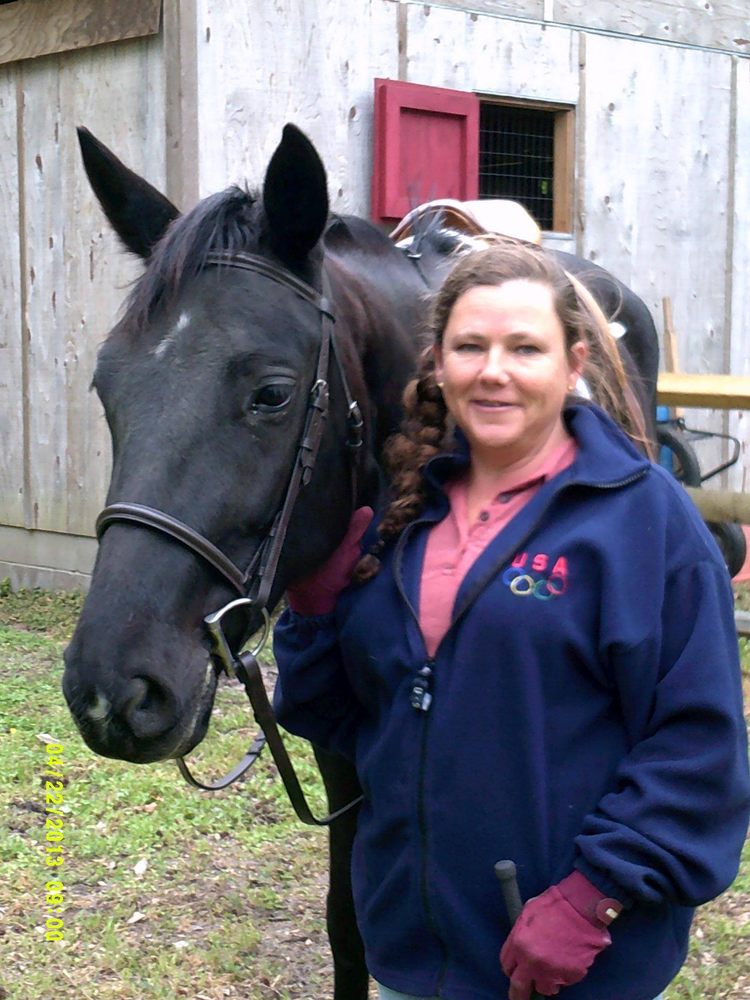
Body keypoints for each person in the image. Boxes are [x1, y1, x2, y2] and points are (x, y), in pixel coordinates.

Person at [273, 241, 750, 1000]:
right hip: (410, 957)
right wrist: (313, 614)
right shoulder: (406, 517)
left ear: (574, 364)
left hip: (570, 968)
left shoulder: (642, 526)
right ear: (436, 363)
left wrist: (591, 900)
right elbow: (349, 720)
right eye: (471, 346)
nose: (494, 370)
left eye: (525, 347)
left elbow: (699, 750)